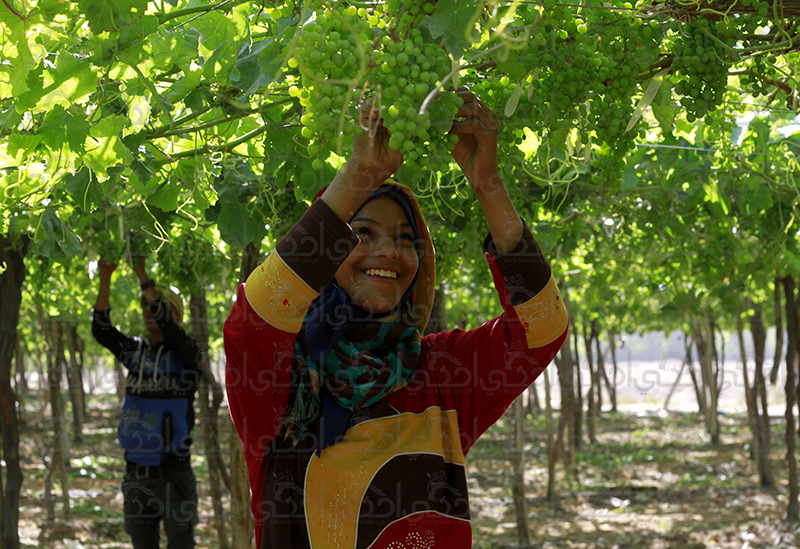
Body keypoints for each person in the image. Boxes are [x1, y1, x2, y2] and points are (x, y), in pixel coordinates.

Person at [224, 90, 569, 548]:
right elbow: (255, 318)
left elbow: (541, 328)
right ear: (326, 252)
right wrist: (358, 176)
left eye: (406, 239)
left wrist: (488, 183)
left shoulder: (442, 374)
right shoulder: (282, 379)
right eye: (362, 234)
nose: (389, 251)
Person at [92, 258, 200, 549]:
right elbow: (102, 330)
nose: (151, 313)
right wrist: (105, 276)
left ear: (176, 314)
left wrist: (142, 275)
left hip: (174, 472)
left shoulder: (187, 354)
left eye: (160, 308)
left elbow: (170, 330)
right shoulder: (135, 352)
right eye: (147, 307)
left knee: (181, 542)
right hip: (136, 473)